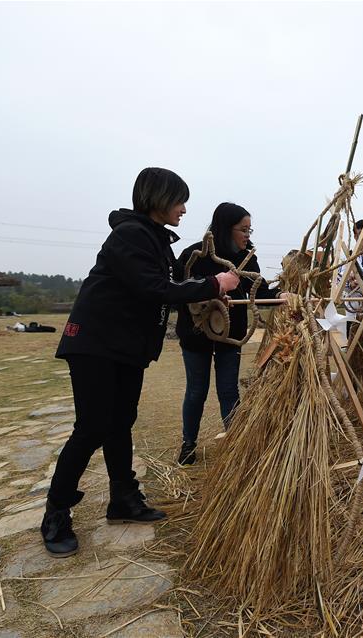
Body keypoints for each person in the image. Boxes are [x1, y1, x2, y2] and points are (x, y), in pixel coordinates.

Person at [42, 167, 239, 558]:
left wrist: (204, 293)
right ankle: (56, 512)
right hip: (96, 343)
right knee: (93, 426)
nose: (183, 208)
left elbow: (168, 288)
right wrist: (215, 283)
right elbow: (152, 288)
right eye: (179, 200)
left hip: (123, 346)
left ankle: (123, 499)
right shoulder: (130, 235)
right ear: (158, 198)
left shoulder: (152, 238)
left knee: (119, 423)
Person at [174, 203, 282, 465]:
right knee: (196, 390)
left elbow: (260, 291)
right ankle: (189, 442)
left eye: (249, 229)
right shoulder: (195, 255)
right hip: (196, 334)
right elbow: (175, 290)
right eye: (243, 230)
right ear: (225, 229)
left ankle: (235, 444)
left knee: (228, 390)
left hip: (230, 336)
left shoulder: (247, 259)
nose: (248, 235)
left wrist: (281, 296)